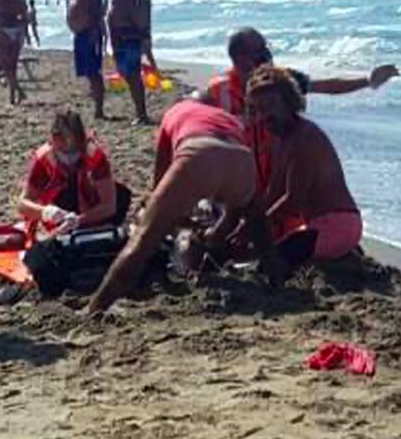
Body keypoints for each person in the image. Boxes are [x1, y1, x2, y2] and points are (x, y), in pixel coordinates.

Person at [88, 99, 276, 312]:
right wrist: (210, 235)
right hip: (242, 159)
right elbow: (233, 214)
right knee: (256, 221)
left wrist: (170, 219)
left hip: (200, 154)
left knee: (142, 240)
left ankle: (97, 306)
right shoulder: (225, 118)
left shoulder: (173, 113)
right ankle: (277, 279)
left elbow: (159, 182)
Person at [246, 66, 363, 269]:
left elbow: (293, 201)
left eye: (270, 105)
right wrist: (246, 224)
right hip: (314, 224)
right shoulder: (280, 140)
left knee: (268, 264)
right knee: (259, 248)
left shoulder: (305, 137)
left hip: (339, 223)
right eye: (258, 109)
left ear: (289, 101)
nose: (264, 116)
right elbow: (273, 192)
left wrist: (256, 227)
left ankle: (340, 247)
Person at [203, 27, 398, 120]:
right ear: (239, 58)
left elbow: (327, 86)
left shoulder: (280, 79)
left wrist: (368, 81)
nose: (267, 55)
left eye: (266, 48)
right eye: (259, 50)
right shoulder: (218, 91)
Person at [18, 111, 132, 238]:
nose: (69, 157)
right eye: (62, 151)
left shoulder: (94, 155)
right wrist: (46, 212)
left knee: (121, 195)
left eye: (74, 151)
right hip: (60, 212)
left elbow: (109, 205)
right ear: (53, 141)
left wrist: (79, 220)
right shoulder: (44, 159)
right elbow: (23, 204)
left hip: (91, 209)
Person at [104, 0, 151, 125]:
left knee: (132, 75)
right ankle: (140, 112)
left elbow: (137, 8)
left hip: (128, 34)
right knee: (128, 74)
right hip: (122, 34)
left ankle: (141, 114)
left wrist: (143, 33)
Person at [66, 0, 107, 119]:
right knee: (87, 71)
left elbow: (96, 8)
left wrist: (94, 30)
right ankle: (95, 101)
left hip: (90, 30)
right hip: (79, 31)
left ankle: (99, 107)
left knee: (93, 70)